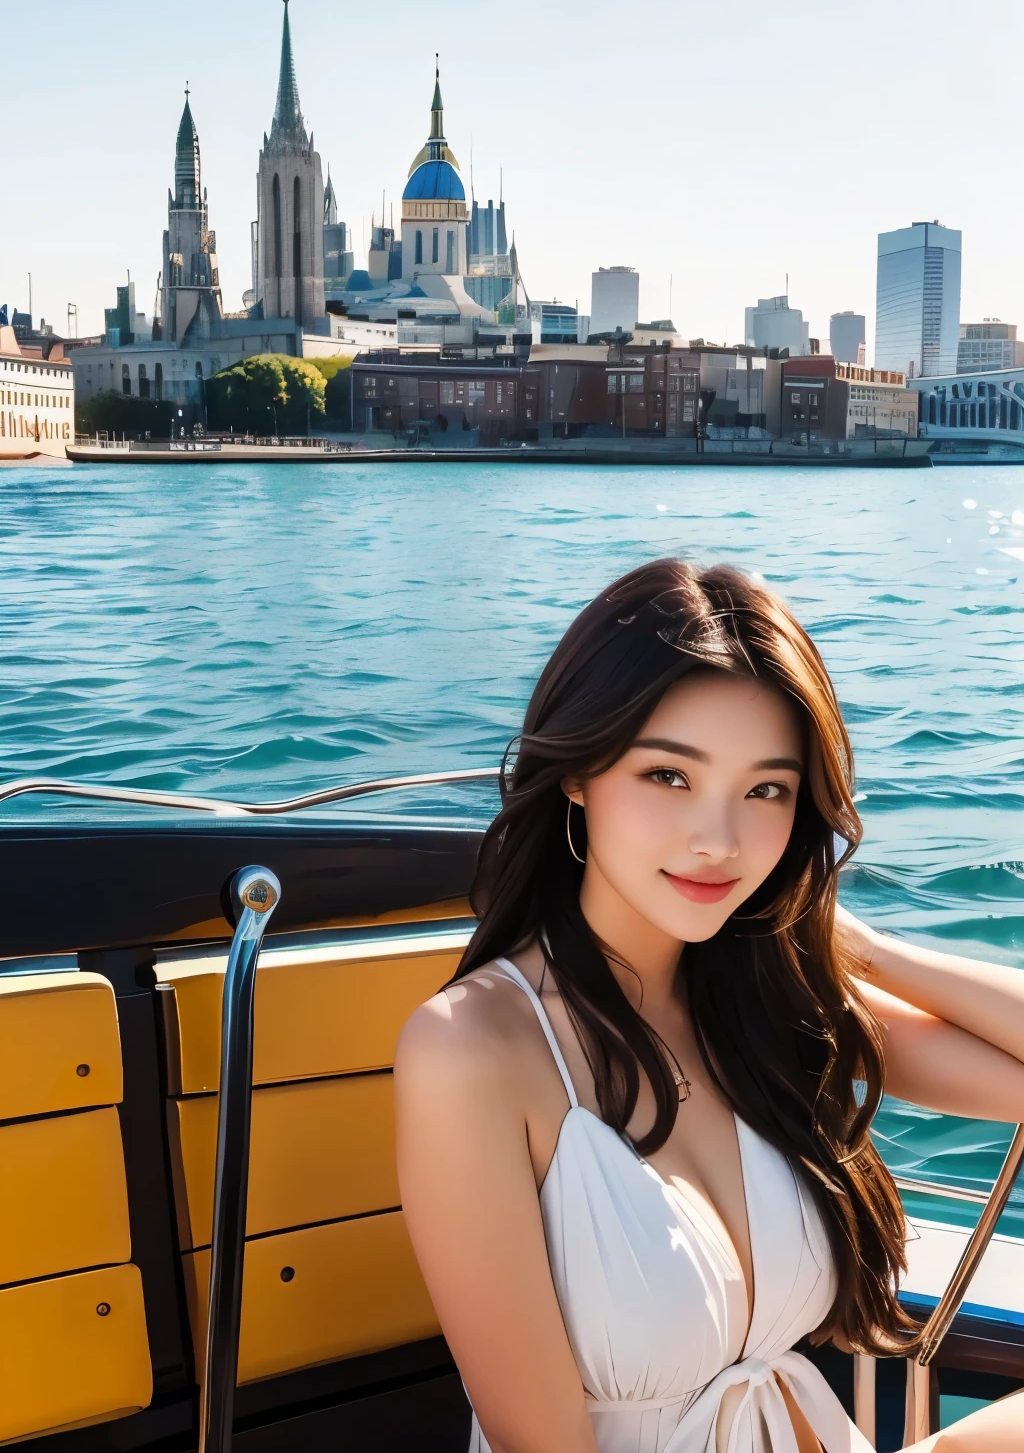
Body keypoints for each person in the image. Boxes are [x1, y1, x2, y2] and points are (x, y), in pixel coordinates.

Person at [395, 559, 1024, 1453]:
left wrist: (857, 942)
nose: (719, 843)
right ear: (578, 772)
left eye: (765, 790)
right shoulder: (475, 1050)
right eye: (669, 776)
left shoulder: (766, 1001)